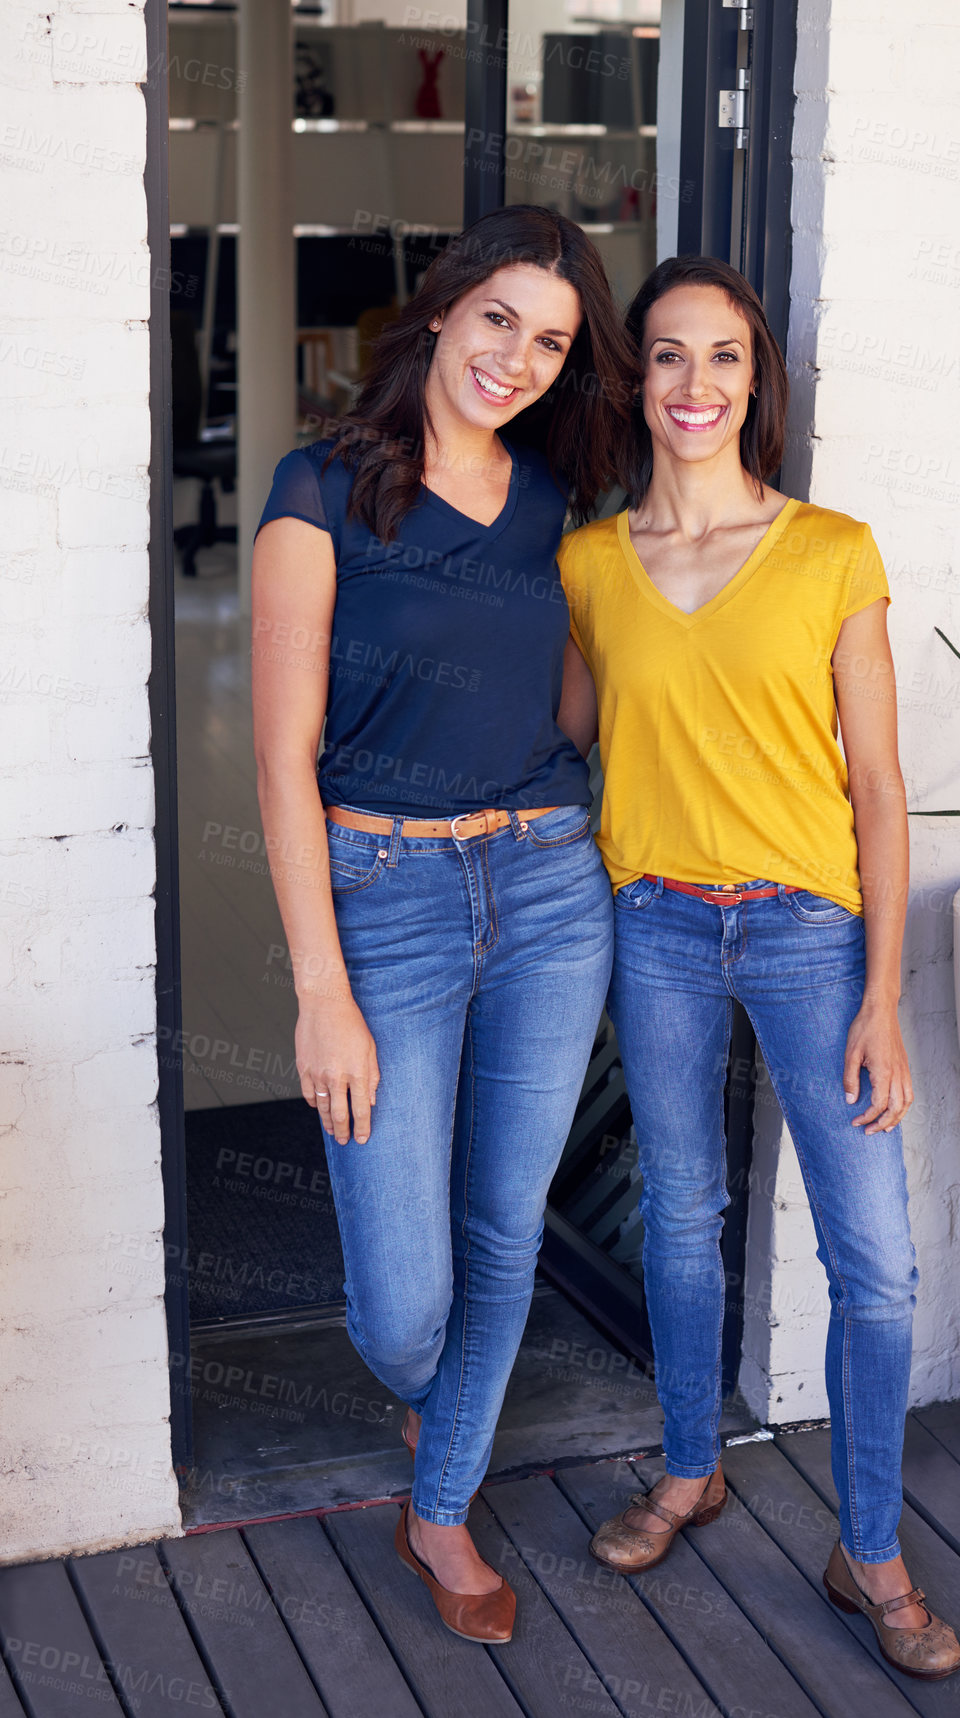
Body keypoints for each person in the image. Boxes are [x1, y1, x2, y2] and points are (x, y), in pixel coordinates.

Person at [555, 255, 960, 1680]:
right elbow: (566, 743)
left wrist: (880, 993)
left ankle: (870, 1548)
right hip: (655, 921)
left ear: (756, 379)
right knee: (681, 1212)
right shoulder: (592, 565)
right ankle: (690, 1470)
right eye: (666, 357)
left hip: (805, 929)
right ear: (635, 377)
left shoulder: (834, 549)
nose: (694, 385)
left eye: (722, 358)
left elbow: (881, 788)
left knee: (879, 1262)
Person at [252, 206, 632, 1644]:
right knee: (405, 1298)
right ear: (441, 311)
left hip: (545, 882)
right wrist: (318, 989)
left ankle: (441, 1505)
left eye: (549, 341)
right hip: (385, 901)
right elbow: (281, 758)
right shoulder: (320, 488)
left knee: (501, 1228)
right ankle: (437, 1399)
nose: (518, 359)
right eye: (499, 322)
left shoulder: (553, 506)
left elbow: (579, 713)